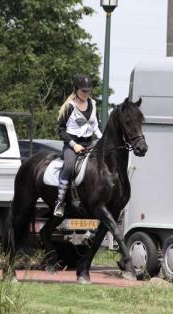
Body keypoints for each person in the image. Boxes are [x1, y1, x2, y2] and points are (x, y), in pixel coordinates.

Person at [54, 74, 103, 217]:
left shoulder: (93, 104)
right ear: (76, 90)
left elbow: (96, 126)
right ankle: (60, 201)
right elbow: (61, 130)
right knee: (69, 166)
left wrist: (103, 139)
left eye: (88, 91)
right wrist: (74, 145)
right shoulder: (69, 107)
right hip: (71, 145)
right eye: (83, 91)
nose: (86, 93)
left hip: (89, 143)